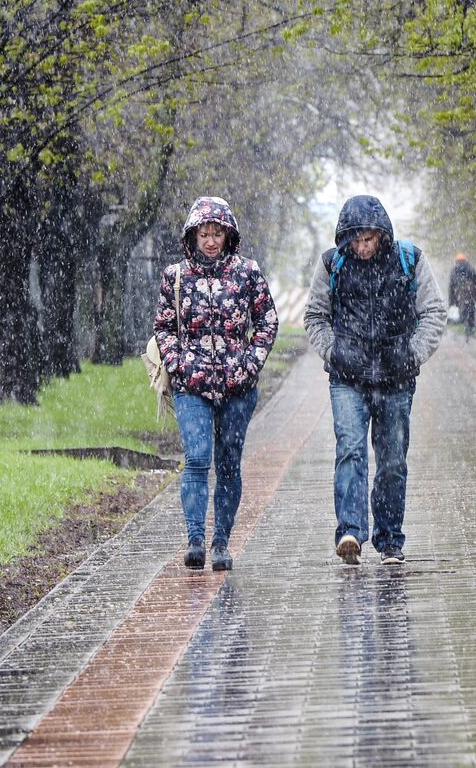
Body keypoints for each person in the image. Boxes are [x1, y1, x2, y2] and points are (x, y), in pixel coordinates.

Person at [304, 195, 446, 565]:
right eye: (357, 240)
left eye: (369, 239)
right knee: (350, 451)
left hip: (396, 378)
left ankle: (389, 539)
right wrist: (333, 353)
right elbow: (315, 315)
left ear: (382, 235)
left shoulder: (408, 261)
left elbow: (433, 311)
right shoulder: (331, 264)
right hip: (347, 378)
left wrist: (413, 354)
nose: (363, 247)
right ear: (346, 238)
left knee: (392, 461)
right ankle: (350, 530)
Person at [154, 196, 278, 572]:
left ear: (228, 234)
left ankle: (221, 541)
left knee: (228, 463)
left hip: (238, 387)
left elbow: (267, 321)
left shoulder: (247, 272)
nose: (210, 240)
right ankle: (195, 539)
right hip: (191, 385)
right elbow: (163, 327)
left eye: (217, 233)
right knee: (196, 458)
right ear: (192, 236)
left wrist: (250, 365)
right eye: (204, 233)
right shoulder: (175, 277)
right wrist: (178, 365)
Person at [447, 252, 476, 337]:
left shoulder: (454, 270)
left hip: (460, 294)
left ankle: (465, 324)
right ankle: (470, 328)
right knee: (471, 311)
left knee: (463, 310)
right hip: (471, 294)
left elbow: (451, 286)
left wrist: (451, 300)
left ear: (457, 261)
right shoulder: (471, 269)